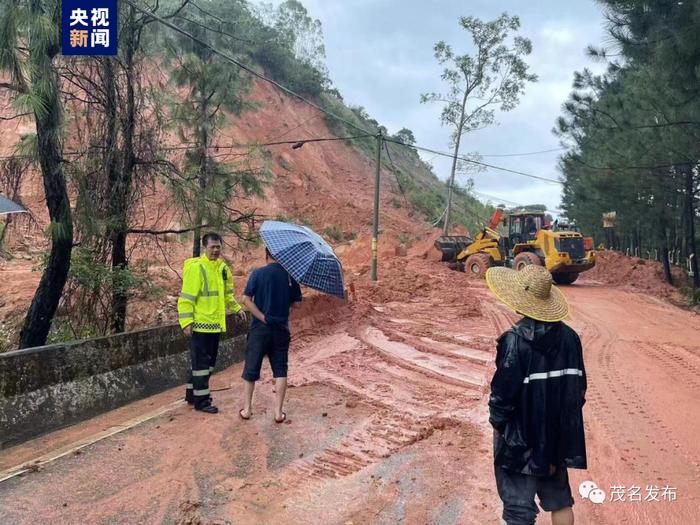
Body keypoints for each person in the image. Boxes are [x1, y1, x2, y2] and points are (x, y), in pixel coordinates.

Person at [484, 265, 587, 525]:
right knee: (560, 500)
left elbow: (502, 396)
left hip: (522, 439)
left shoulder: (515, 341)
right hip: (556, 434)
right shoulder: (570, 338)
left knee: (519, 510)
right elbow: (578, 390)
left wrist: (501, 427)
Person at [177, 232, 246, 414]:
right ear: (204, 248)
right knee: (201, 365)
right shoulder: (197, 268)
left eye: (218, 247)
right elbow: (186, 298)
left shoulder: (223, 269)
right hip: (200, 325)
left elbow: (227, 296)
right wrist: (186, 322)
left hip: (215, 325)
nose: (215, 250)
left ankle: (192, 394)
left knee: (207, 365)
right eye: (212, 247)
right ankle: (202, 401)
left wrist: (237, 309)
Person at [239, 247, 302, 423]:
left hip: (259, 329)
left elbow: (245, 299)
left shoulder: (258, 273)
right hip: (281, 329)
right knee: (280, 370)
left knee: (251, 369)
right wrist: (285, 303)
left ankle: (247, 410)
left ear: (267, 255)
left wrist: (262, 317)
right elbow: (297, 304)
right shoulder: (290, 277)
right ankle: (278, 413)